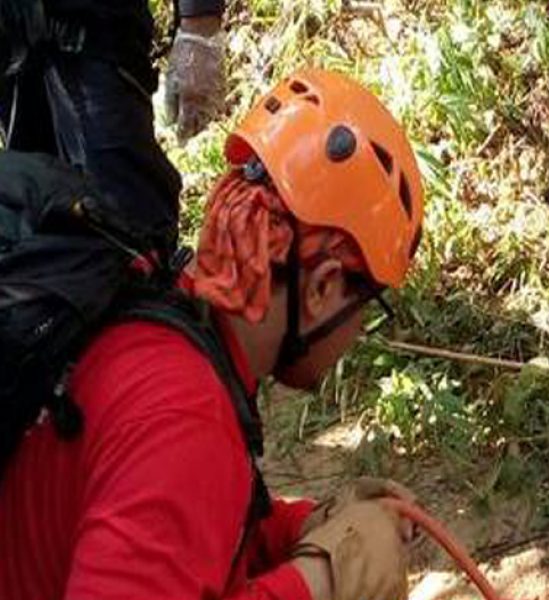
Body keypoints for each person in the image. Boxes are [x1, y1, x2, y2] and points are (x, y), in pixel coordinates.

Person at [0, 68, 425, 600]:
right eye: (366, 303)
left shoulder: (161, 309)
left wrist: (306, 528)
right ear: (322, 287)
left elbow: (181, 529)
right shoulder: (185, 420)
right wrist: (320, 580)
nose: (359, 330)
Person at [0, 0, 229, 256]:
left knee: (128, 224)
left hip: (96, 39)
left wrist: (199, 27)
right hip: (14, 55)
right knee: (38, 237)